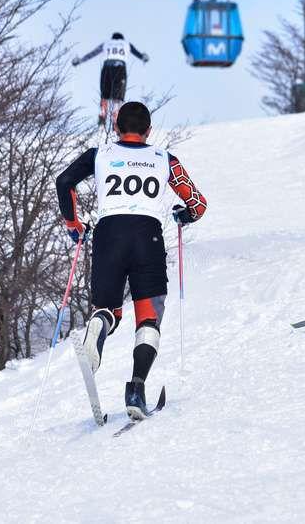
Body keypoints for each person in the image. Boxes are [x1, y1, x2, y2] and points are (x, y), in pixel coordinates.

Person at [55, 101, 207, 419]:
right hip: (147, 237)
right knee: (148, 320)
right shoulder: (164, 159)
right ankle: (136, 390)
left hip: (109, 234)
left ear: (116, 128)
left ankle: (97, 331)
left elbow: (64, 181)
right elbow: (198, 203)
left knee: (108, 309)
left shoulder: (100, 154)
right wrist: (184, 215)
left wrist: (74, 225)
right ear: (149, 131)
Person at [72, 32, 150, 127]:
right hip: (119, 68)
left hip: (107, 68)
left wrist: (80, 60)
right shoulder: (126, 44)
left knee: (105, 95)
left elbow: (92, 53)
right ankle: (115, 121)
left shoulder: (106, 43)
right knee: (117, 97)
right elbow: (138, 54)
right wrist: (143, 57)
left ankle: (102, 118)